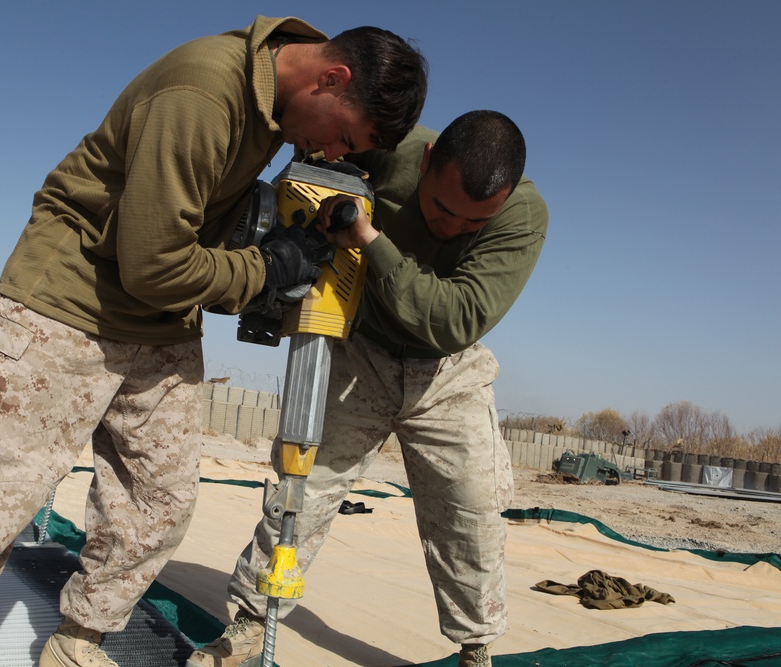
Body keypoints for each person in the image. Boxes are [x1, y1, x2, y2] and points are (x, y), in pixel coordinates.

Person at [0, 16, 427, 667]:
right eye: (341, 135)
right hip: (69, 305)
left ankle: (78, 641)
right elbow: (154, 262)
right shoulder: (205, 92)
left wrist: (300, 237)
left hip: (159, 323)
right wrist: (267, 269)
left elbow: (196, 240)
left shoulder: (278, 110)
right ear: (331, 77)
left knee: (157, 500)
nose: (331, 152)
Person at [186, 110, 548, 667]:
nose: (452, 227)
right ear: (426, 163)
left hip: (448, 371)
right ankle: (250, 625)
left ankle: (476, 649)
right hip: (362, 350)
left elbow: (455, 319)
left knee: (470, 514)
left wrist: (369, 240)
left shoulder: (524, 213)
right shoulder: (393, 150)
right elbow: (308, 161)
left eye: (474, 222)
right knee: (302, 489)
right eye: (441, 208)